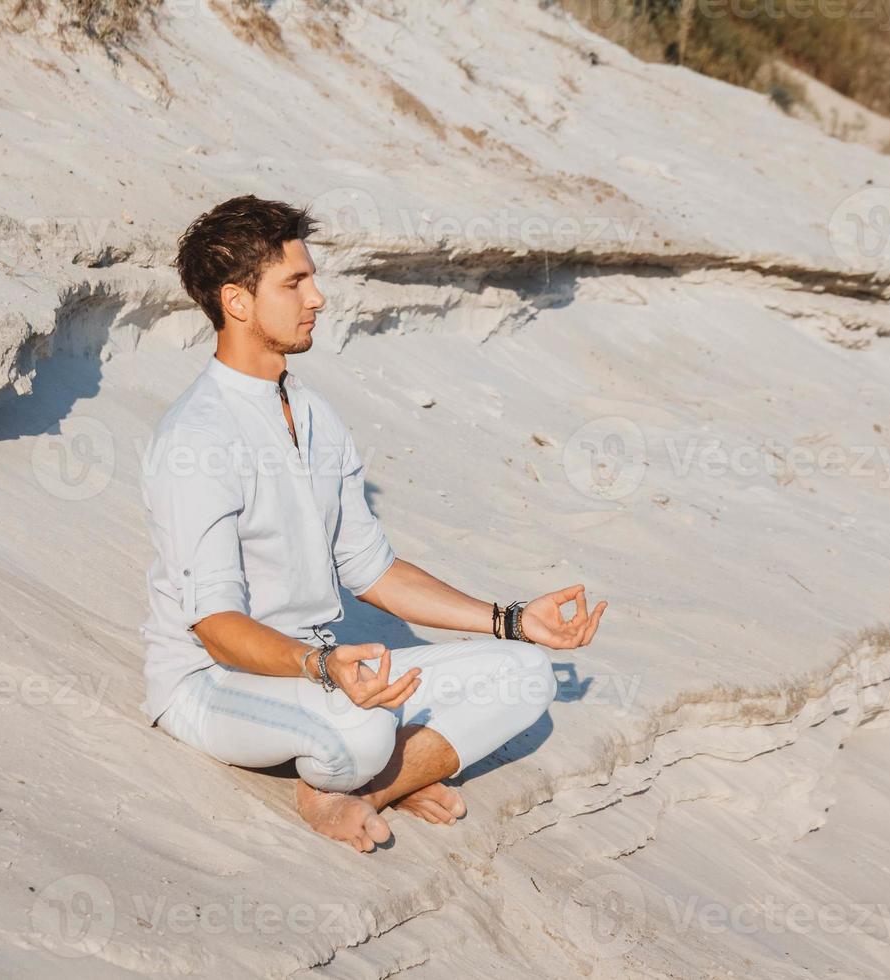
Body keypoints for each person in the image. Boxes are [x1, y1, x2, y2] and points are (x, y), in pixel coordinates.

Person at [140, 194, 608, 853]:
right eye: (294, 282)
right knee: (361, 730)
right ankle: (380, 763)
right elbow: (215, 629)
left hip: (322, 672)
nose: (318, 298)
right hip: (213, 685)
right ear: (236, 302)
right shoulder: (198, 438)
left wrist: (512, 620)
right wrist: (322, 666)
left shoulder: (314, 415)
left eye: (312, 278)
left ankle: (367, 787)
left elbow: (372, 570)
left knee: (526, 674)